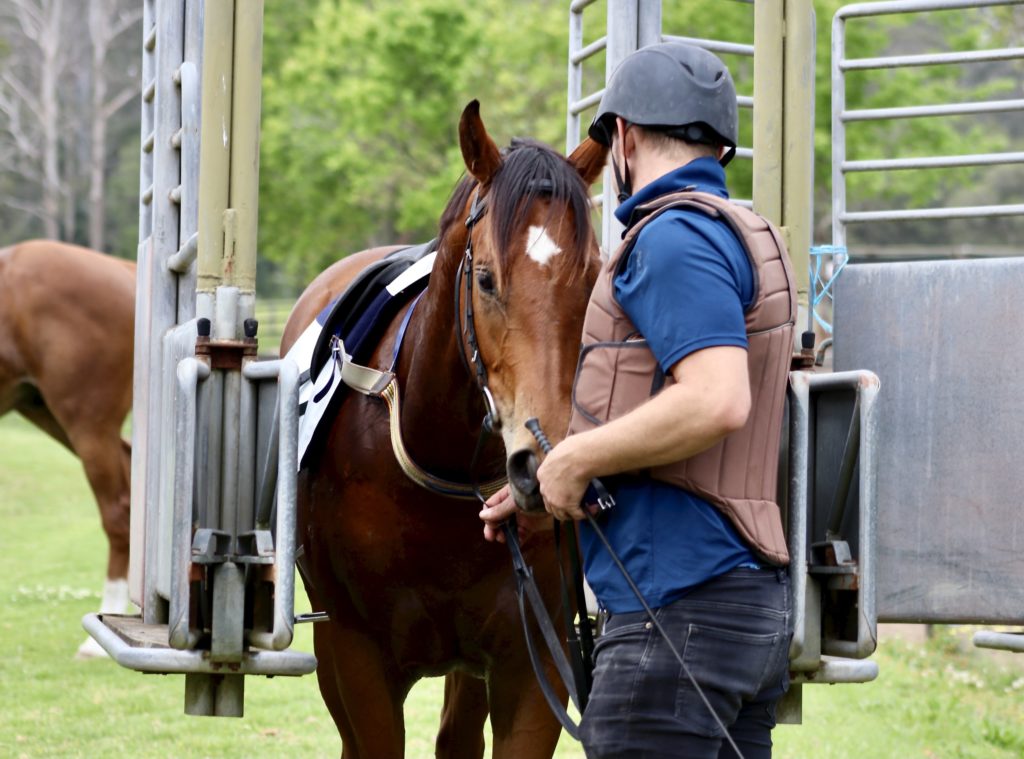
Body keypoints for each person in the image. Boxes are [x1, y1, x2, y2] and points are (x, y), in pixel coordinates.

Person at [481, 41, 797, 759]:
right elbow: (663, 407)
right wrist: (558, 467)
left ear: (622, 138)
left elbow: (716, 401)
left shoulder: (674, 240)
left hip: (678, 614)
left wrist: (579, 455)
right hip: (743, 614)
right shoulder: (744, 233)